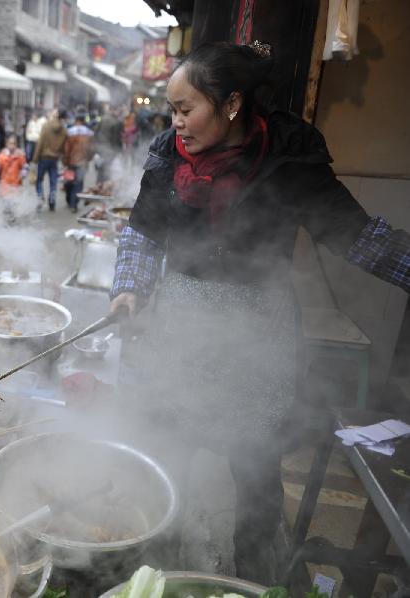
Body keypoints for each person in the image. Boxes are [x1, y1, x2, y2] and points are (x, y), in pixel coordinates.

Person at [108, 42, 410, 584]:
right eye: (172, 110)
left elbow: (357, 236)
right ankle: (157, 564)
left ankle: (256, 578)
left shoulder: (289, 154)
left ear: (230, 104)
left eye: (186, 109)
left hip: (258, 334)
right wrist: (130, 287)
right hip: (182, 323)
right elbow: (143, 230)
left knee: (253, 464)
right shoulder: (169, 154)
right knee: (168, 446)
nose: (176, 123)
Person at [32, 109, 67, 211]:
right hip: (55, 158)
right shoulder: (64, 130)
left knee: (39, 180)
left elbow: (40, 143)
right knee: (53, 181)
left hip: (44, 157)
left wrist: (34, 160)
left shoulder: (46, 126)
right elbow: (63, 147)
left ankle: (40, 198)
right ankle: (52, 201)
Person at [62, 113, 94, 213]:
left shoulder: (69, 132)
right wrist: (88, 159)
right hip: (82, 162)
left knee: (69, 181)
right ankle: (74, 204)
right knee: (78, 183)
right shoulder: (89, 133)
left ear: (76, 121)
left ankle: (69, 200)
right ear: (84, 121)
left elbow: (66, 149)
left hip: (71, 161)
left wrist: (65, 161)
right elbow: (91, 149)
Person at [0, 134, 28, 198]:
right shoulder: (2, 156)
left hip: (16, 183)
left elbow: (24, 166)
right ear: (6, 144)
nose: (12, 146)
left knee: (15, 201)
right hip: (5, 184)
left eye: (14, 144)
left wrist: (24, 171)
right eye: (10, 143)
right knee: (6, 201)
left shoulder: (20, 156)